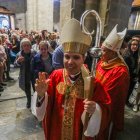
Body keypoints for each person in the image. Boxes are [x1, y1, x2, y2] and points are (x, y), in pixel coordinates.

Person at [32, 18, 111, 140]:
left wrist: (96, 109)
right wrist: (41, 95)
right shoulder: (56, 76)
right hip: (56, 132)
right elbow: (44, 108)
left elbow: (105, 109)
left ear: (83, 59)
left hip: (78, 134)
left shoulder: (92, 83)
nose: (70, 62)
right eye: (67, 56)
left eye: (76, 57)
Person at [95, 25, 130, 140]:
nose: (101, 53)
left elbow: (111, 96)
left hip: (106, 110)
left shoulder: (120, 71)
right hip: (94, 102)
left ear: (113, 52)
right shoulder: (102, 61)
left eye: (104, 50)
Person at [14, 38, 36, 108]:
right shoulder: (19, 54)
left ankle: (36, 101)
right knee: (27, 89)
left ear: (30, 46)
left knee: (36, 88)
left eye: (28, 45)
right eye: (24, 45)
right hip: (25, 74)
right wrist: (18, 61)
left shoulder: (34, 52)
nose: (26, 47)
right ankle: (29, 101)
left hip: (34, 74)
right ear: (22, 47)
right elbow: (15, 65)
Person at [123, 39, 139, 107]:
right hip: (126, 77)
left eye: (136, 45)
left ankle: (126, 101)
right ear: (130, 45)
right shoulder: (126, 55)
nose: (135, 46)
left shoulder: (136, 55)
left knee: (130, 90)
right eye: (133, 44)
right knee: (124, 91)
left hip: (133, 77)